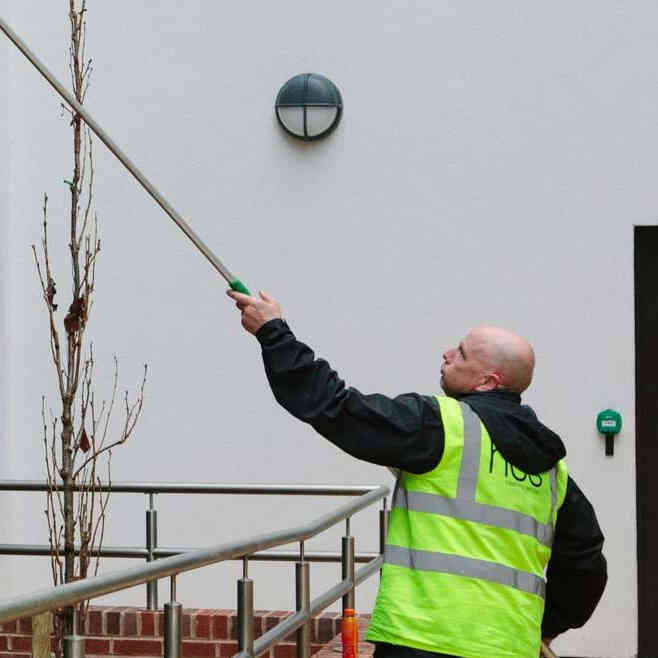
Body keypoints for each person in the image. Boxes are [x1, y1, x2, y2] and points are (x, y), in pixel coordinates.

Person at [227, 290, 607, 658]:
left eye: (460, 352)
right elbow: (585, 562)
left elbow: (335, 407)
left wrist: (273, 332)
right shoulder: (553, 471)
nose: (446, 354)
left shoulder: (440, 426)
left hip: (422, 640)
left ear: (488, 382)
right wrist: (546, 625)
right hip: (508, 645)